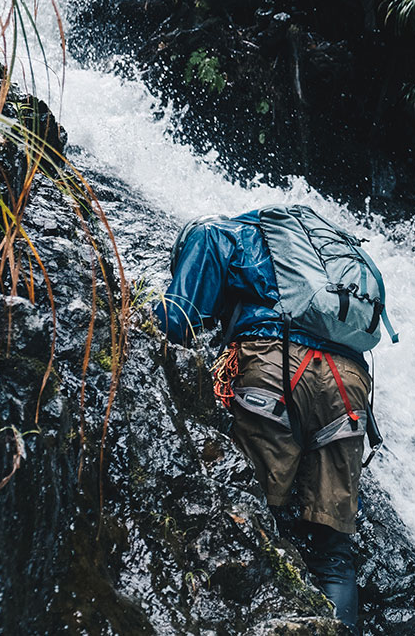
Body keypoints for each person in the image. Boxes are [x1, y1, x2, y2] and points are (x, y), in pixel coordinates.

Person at [155, 205, 390, 632]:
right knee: (333, 553)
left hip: (274, 367)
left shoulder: (213, 234)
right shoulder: (321, 250)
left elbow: (177, 318)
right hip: (348, 384)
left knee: (255, 520)